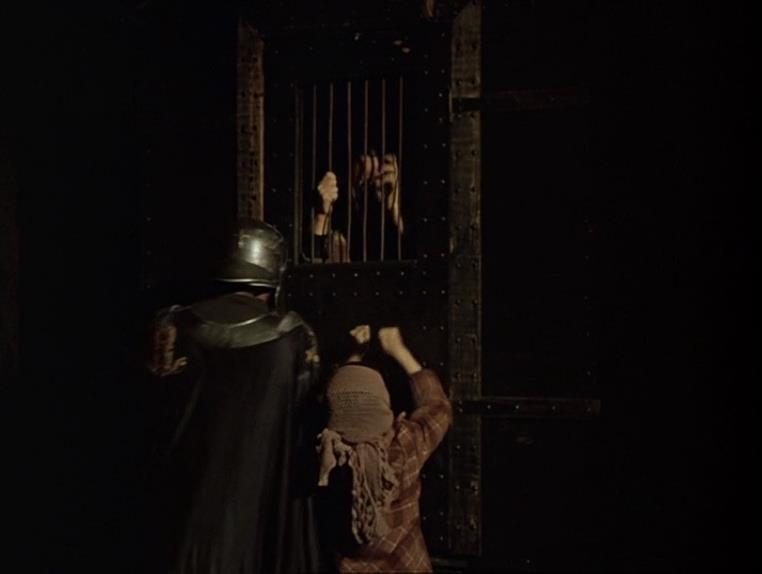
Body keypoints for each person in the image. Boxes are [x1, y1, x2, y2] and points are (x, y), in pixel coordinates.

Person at [143, 220, 324, 574]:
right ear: (274, 276)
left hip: (172, 522)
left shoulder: (170, 327)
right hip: (252, 526)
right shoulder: (292, 338)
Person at [316, 324, 452, 573]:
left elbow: (345, 400)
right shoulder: (404, 448)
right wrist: (399, 351)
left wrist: (352, 357)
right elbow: (438, 409)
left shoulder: (325, 461)